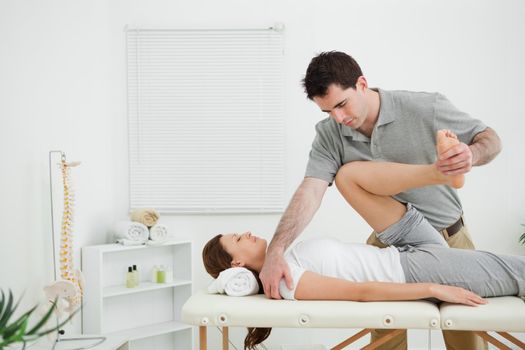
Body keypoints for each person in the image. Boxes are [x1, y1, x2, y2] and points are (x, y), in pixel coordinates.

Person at [259, 51, 502, 350]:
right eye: (327, 112)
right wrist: (276, 250)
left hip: (448, 235)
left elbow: (490, 139)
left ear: (362, 84)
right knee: (385, 341)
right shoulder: (329, 134)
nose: (338, 118)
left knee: (468, 339)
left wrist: (472, 155)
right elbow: (310, 190)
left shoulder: (425, 107)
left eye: (341, 105)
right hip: (389, 247)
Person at [202, 139, 524, 349]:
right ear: (237, 264)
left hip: (405, 243)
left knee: (347, 176)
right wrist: (434, 289)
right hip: (410, 268)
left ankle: (438, 172)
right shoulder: (288, 282)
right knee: (517, 272)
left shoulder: (284, 257)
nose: (246, 233)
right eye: (238, 239)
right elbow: (361, 292)